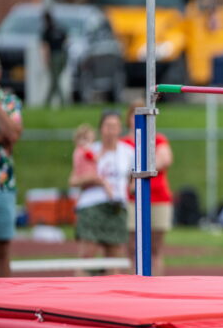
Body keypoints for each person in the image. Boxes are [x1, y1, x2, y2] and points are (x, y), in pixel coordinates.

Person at [69, 110, 134, 274]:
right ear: (101, 128)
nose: (111, 130)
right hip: (92, 205)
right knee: (87, 256)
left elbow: (132, 180)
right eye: (107, 126)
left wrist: (131, 188)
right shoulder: (90, 150)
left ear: (120, 128)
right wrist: (96, 179)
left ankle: (111, 289)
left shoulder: (128, 152)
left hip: (117, 206)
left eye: (115, 126)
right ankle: (80, 288)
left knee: (114, 259)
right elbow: (74, 180)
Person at [121, 100, 174, 276]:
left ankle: (156, 284)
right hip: (131, 200)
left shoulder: (157, 140)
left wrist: (139, 173)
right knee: (132, 248)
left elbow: (165, 159)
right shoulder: (123, 144)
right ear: (129, 118)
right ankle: (133, 284)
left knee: (155, 248)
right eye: (135, 115)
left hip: (158, 198)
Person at [0, 56, 23, 277]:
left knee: (3, 249)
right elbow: (6, 137)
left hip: (2, 182)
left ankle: (4, 295)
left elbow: (13, 135)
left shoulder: (9, 101)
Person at [71, 124, 113, 199]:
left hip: (83, 175)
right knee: (104, 182)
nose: (89, 143)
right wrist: (102, 153)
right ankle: (110, 194)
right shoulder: (85, 150)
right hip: (88, 174)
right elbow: (94, 158)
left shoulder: (77, 150)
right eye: (88, 140)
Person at [41, 10, 68, 108]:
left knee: (55, 80)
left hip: (54, 57)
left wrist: (46, 59)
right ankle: (47, 102)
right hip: (63, 56)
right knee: (55, 79)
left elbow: (46, 47)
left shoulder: (47, 31)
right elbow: (66, 41)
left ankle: (63, 102)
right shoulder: (60, 28)